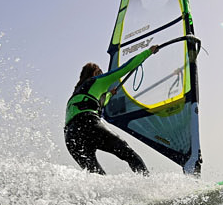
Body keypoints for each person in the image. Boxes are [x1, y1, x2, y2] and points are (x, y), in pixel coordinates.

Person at [64, 44, 160, 175]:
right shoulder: (97, 80)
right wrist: (148, 52)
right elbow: (125, 68)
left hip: (71, 136)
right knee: (129, 154)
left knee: (98, 176)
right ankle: (149, 185)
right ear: (96, 73)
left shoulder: (77, 92)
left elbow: (97, 102)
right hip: (88, 123)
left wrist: (109, 94)